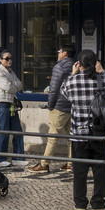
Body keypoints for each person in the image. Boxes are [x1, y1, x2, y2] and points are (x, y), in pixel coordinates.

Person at [63, 50, 105, 210]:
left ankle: (80, 203)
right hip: (98, 132)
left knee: (79, 170)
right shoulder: (103, 80)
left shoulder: (72, 82)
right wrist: (103, 72)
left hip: (79, 133)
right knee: (100, 169)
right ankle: (98, 203)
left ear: (79, 64)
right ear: (95, 63)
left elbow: (64, 92)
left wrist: (73, 74)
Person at [29, 43, 75, 174]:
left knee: (53, 136)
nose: (58, 54)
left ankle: (44, 164)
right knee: (71, 136)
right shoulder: (76, 65)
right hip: (72, 105)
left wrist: (50, 105)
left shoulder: (59, 67)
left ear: (65, 53)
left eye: (60, 51)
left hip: (59, 105)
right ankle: (71, 162)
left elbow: (54, 88)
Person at [0, 50, 25, 163]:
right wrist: (14, 85)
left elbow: (19, 84)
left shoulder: (10, 72)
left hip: (11, 103)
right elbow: (8, 87)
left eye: (10, 58)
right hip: (3, 103)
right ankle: (0, 159)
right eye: (7, 58)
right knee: (4, 131)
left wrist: (13, 84)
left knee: (18, 131)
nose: (9, 60)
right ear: (0, 60)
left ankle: (18, 157)